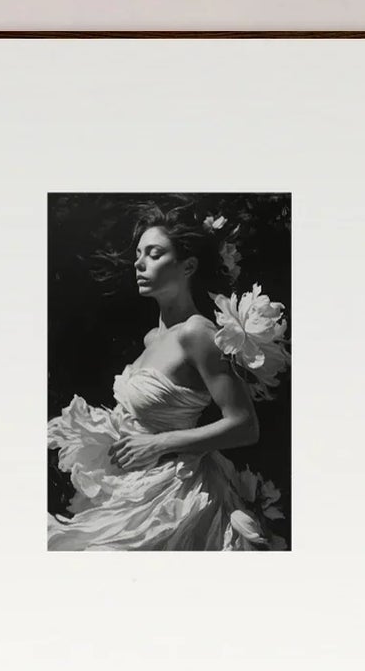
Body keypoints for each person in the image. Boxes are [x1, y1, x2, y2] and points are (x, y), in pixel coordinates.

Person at [48, 206, 286, 550]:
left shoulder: (197, 332)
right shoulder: (151, 339)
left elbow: (245, 425)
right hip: (133, 486)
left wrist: (158, 443)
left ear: (188, 266)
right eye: (139, 254)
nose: (139, 263)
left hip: (178, 493)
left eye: (154, 254)